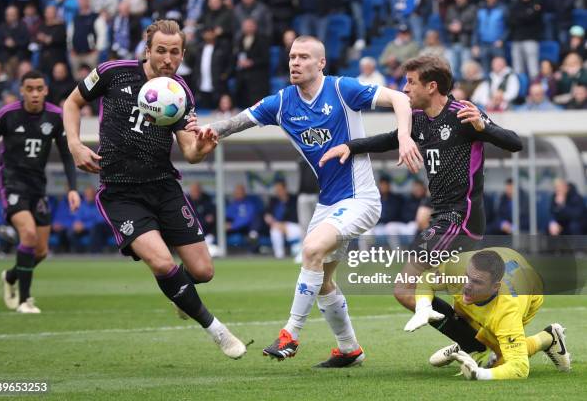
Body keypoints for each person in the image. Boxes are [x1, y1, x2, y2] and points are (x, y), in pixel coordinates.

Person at [192, 35, 419, 367]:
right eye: (291, 57)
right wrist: (212, 130)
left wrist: (403, 136)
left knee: (311, 248)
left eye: (302, 57)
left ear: (321, 63)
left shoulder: (343, 89)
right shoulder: (283, 102)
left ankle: (290, 334)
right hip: (329, 203)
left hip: (360, 198)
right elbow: (239, 121)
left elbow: (400, 98)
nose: (294, 62)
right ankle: (349, 349)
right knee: (324, 281)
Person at [62, 19, 246, 360]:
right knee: (162, 263)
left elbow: (190, 152)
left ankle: (182, 296)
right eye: (161, 51)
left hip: (163, 186)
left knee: (203, 271)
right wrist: (74, 144)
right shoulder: (111, 73)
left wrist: (205, 146)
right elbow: (71, 103)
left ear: (182, 55)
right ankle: (217, 330)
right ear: (147, 51)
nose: (167, 59)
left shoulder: (180, 93)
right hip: (121, 192)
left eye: (175, 52)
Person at [320, 55, 523, 357]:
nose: (404, 89)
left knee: (406, 289)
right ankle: (491, 343)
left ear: (431, 86)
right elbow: (389, 139)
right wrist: (351, 146)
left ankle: (481, 346)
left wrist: (484, 127)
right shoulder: (418, 121)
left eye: (410, 82)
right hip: (443, 218)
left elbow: (514, 142)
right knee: (458, 294)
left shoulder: (462, 114)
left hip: (460, 217)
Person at [0, 70, 80, 313]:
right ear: (22, 91)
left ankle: (11, 276)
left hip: (37, 187)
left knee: (41, 251)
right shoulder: (7, 115)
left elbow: (66, 154)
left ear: (45, 90)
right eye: (29, 89)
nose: (34, 94)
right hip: (11, 184)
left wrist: (73, 188)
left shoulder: (55, 117)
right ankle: (25, 300)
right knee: (29, 235)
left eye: (39, 89)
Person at [409, 248, 570, 379]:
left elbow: (519, 369)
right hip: (505, 258)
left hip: (530, 290)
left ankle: (548, 337)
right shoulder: (458, 269)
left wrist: (480, 374)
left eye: (477, 282)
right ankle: (475, 347)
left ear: (495, 287)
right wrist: (423, 307)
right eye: (467, 277)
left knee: (501, 358)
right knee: (460, 308)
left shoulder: (507, 311)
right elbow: (426, 280)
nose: (467, 286)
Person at [264, 179, 301, 259]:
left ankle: (297, 247)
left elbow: (296, 217)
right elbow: (267, 214)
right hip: (277, 226)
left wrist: (283, 225)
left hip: (294, 226)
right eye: (276, 190)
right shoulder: (273, 200)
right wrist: (268, 218)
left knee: (278, 227)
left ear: (285, 189)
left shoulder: (294, 199)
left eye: (280, 189)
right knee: (274, 230)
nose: (278, 192)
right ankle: (279, 256)